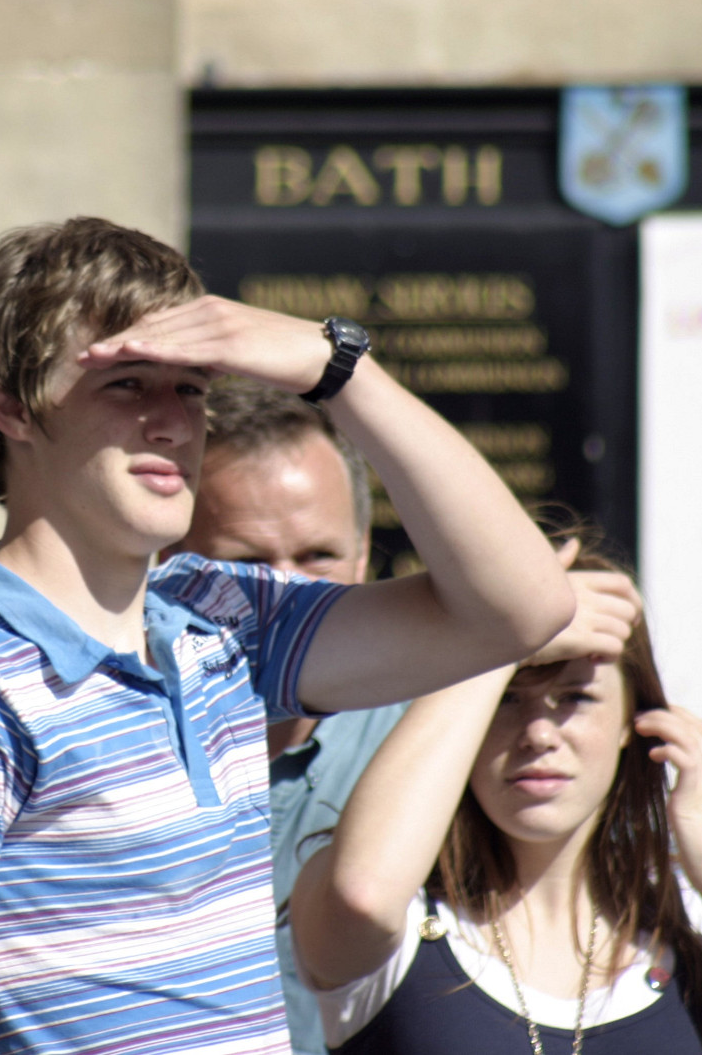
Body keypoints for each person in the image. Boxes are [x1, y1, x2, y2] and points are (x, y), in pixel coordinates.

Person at [0, 216, 574, 1055]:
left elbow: (522, 608)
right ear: (11, 406)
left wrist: (337, 369)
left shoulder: (219, 615)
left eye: (191, 387)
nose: (173, 422)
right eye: (128, 384)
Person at [290, 528, 702, 1054]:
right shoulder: (404, 914)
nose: (539, 735)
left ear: (633, 720)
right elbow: (361, 896)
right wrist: (497, 641)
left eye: (576, 697)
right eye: (507, 697)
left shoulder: (691, 917)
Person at [165, 378, 405, 1055]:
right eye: (247, 563)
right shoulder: (106, 744)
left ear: (363, 553)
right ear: (168, 566)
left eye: (318, 556)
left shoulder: (434, 746)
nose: (289, 591)